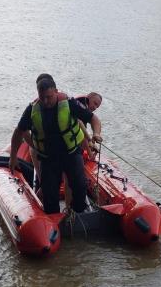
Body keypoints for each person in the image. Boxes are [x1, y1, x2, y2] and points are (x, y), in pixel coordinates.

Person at [9, 76, 102, 214]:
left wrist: (96, 133)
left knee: (79, 186)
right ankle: (53, 222)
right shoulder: (32, 109)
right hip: (48, 159)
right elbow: (19, 132)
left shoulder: (69, 103)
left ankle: (78, 216)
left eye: (49, 97)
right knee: (50, 193)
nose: (46, 101)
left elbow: (93, 119)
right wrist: (13, 157)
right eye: (42, 97)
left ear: (56, 91)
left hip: (71, 154)